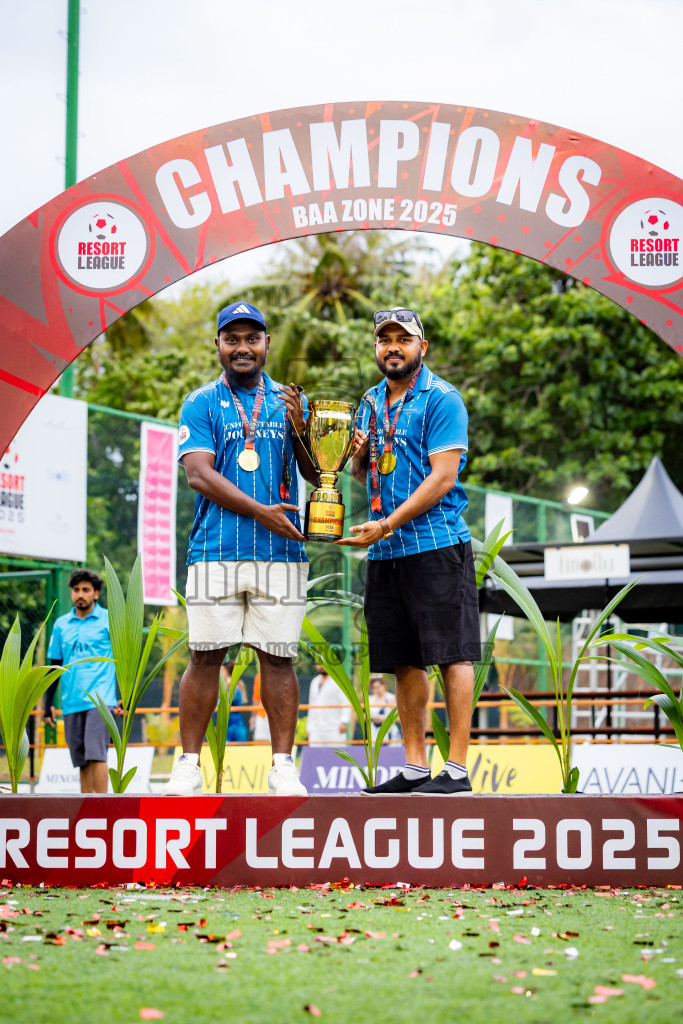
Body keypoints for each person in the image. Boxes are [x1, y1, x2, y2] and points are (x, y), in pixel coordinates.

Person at [164, 301, 318, 796]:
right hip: (215, 550)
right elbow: (198, 475)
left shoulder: (290, 401)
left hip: (282, 552)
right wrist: (261, 512)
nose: (243, 348)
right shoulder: (200, 402)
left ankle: (283, 766)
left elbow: (316, 473)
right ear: (218, 345)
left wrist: (302, 430)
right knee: (205, 655)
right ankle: (189, 764)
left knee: (279, 658)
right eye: (232, 339)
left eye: (252, 338)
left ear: (267, 344)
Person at [338, 306, 481, 794]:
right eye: (385, 339)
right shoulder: (369, 401)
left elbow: (443, 478)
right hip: (386, 551)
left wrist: (385, 524)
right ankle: (416, 767)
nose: (393, 347)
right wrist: (358, 456)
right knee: (403, 659)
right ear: (376, 347)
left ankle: (456, 770)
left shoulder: (443, 398)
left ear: (423, 346)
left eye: (404, 339)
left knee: (453, 655)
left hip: (436, 543)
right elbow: (365, 474)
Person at [44, 569, 119, 794]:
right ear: (71, 593)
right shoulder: (61, 624)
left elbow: (124, 659)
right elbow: (54, 665)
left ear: (95, 593)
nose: (80, 594)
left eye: (86, 590)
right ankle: (87, 807)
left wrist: (125, 695)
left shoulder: (110, 619)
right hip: (71, 701)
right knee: (81, 760)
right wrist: (48, 703)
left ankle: (102, 807)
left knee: (96, 755)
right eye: (76, 590)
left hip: (100, 699)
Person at [306, 662, 351, 746]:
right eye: (318, 664)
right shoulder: (315, 682)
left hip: (334, 728)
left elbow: (346, 702)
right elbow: (311, 706)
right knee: (315, 753)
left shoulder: (339, 681)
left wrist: (344, 722)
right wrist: (309, 728)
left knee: (336, 753)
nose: (321, 666)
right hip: (316, 729)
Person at [219, 660, 248, 743]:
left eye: (221, 671)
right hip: (225, 729)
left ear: (228, 673)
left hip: (236, 730)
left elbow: (223, 702)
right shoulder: (222, 688)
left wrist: (228, 684)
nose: (219, 673)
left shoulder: (235, 689)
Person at [368, 674, 400, 743]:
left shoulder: (391, 698)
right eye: (374, 688)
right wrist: (373, 718)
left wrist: (385, 718)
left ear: (383, 685)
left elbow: (399, 718)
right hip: (374, 735)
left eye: (378, 687)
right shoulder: (370, 699)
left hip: (390, 735)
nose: (376, 690)